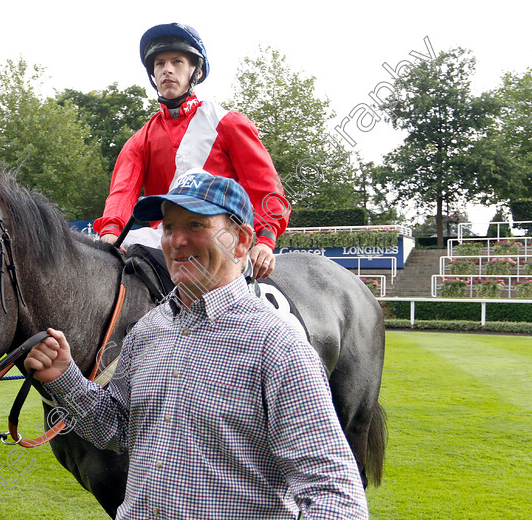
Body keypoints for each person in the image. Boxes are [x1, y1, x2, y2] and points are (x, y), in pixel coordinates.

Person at [27, 172, 369, 519]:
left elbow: (334, 492)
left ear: (241, 240)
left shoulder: (278, 347)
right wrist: (65, 377)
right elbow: (117, 429)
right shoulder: (146, 332)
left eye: (195, 225)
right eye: (169, 227)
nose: (176, 240)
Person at [94, 22, 290, 280]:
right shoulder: (139, 140)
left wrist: (265, 239)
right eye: (159, 64)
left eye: (177, 62)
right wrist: (110, 230)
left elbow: (266, 187)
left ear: (195, 72)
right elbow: (121, 193)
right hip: (165, 241)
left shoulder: (228, 124)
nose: (167, 70)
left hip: (222, 238)